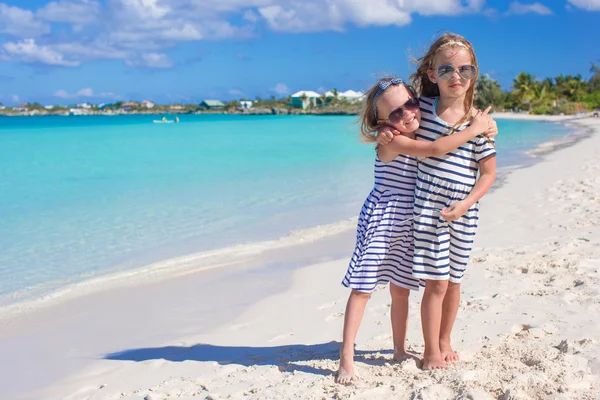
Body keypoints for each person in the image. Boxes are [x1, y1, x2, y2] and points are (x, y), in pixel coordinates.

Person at [336, 76, 495, 385]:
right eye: (396, 113)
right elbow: (436, 149)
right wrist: (475, 129)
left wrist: (489, 127)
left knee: (401, 288)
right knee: (363, 287)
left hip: (413, 216)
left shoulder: (419, 123)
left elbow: (448, 119)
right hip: (384, 216)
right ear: (382, 120)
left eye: (411, 104)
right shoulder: (392, 140)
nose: (408, 114)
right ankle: (346, 356)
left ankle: (399, 349)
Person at [378, 32, 497, 371]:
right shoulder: (424, 112)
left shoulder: (477, 122)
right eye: (446, 70)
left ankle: (445, 340)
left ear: (474, 73)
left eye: (464, 70)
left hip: (464, 213)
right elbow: (397, 125)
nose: (455, 77)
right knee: (436, 282)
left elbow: (488, 173)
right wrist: (386, 133)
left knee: (455, 281)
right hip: (428, 211)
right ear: (432, 75)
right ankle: (431, 350)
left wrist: (466, 204)